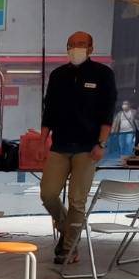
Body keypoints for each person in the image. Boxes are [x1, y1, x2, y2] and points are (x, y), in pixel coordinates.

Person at [38, 30, 116, 264]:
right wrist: (42, 141)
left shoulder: (103, 74)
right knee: (48, 194)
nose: (76, 48)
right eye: (71, 44)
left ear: (91, 48)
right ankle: (68, 229)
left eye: (81, 44)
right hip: (60, 145)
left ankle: (68, 248)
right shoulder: (58, 75)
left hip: (88, 147)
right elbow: (49, 111)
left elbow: (107, 112)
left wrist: (101, 143)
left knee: (77, 199)